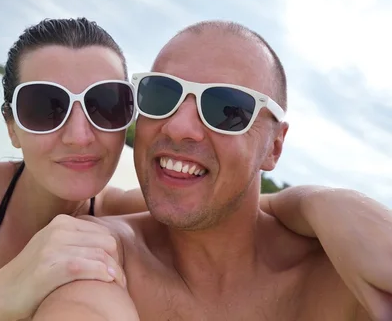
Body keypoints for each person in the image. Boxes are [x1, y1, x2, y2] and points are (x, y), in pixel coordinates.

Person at [0, 18, 389, 321]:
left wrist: (325, 203)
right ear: (11, 128)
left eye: (103, 104)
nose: (78, 134)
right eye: (43, 107)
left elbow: (232, 204)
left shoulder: (122, 215)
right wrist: (10, 289)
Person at [32, 21, 392, 321]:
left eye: (226, 109)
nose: (178, 127)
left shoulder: (346, 280)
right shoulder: (98, 258)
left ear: (275, 147)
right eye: (160, 94)